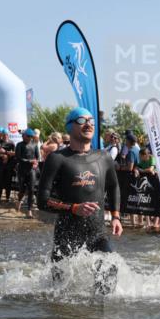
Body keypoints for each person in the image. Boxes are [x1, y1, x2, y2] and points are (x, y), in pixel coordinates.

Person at [36, 107, 122, 293]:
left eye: (91, 121)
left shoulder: (103, 157)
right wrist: (74, 208)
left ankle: (99, 309)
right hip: (67, 236)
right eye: (82, 121)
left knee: (110, 269)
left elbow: (114, 186)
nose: (88, 124)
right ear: (69, 126)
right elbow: (42, 200)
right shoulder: (57, 159)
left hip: (97, 233)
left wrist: (116, 216)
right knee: (58, 295)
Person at [14, 128, 39, 218]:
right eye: (27, 136)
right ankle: (19, 201)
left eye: (30, 137)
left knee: (31, 189)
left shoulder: (35, 145)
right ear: (24, 136)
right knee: (22, 190)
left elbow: (37, 157)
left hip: (31, 170)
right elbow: (18, 158)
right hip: (22, 170)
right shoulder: (19, 145)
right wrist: (29, 161)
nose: (29, 138)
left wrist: (36, 163)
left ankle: (29, 210)